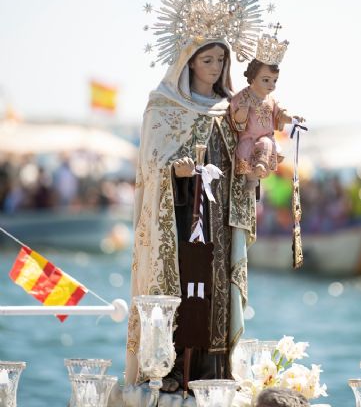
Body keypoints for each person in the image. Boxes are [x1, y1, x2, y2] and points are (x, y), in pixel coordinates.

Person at [125, 38, 256, 391]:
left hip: (221, 221)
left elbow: (240, 161)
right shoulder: (164, 107)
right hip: (180, 220)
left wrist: (253, 166)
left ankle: (214, 367)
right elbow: (151, 168)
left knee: (216, 287)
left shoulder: (232, 109)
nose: (215, 67)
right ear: (189, 63)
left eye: (221, 60)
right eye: (207, 59)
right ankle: (170, 366)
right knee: (181, 284)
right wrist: (176, 173)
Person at [230, 55, 303, 190]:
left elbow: (281, 114)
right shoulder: (242, 97)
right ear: (252, 78)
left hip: (267, 137)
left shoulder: (271, 100)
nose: (271, 85)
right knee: (245, 151)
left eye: (274, 81)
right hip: (248, 138)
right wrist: (243, 111)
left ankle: (261, 166)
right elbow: (237, 121)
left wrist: (292, 119)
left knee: (267, 143)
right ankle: (253, 177)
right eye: (266, 80)